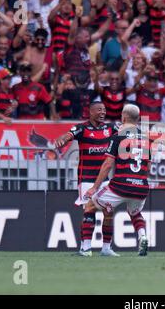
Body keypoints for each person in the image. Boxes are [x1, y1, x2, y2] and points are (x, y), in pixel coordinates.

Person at [54, 101, 119, 257]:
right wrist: (62, 140)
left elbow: (127, 134)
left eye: (104, 110)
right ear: (90, 112)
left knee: (108, 211)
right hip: (86, 178)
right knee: (89, 212)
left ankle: (106, 248)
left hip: (104, 180)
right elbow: (68, 135)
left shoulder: (111, 128)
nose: (102, 112)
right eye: (99, 110)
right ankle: (86, 248)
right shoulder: (82, 128)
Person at [85, 104, 150, 257]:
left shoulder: (118, 136)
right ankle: (142, 236)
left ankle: (87, 248)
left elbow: (108, 164)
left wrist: (94, 187)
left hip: (121, 185)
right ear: (138, 119)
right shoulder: (146, 139)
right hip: (141, 186)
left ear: (124, 117)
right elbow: (148, 165)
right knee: (135, 213)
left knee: (90, 206)